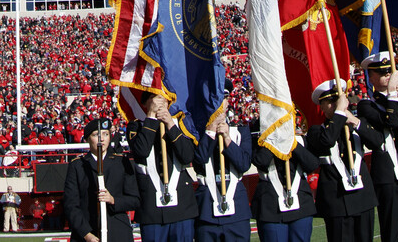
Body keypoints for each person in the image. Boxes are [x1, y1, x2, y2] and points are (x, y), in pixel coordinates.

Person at [357, 52, 398, 242]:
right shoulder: (367, 105)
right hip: (388, 175)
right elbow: (391, 121)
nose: (387, 75)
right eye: (382, 73)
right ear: (371, 77)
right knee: (392, 230)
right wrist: (394, 95)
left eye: (389, 72)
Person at [306, 79, 383, 242]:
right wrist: (340, 114)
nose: (336, 105)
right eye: (331, 102)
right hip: (337, 201)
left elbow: (377, 142)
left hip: (363, 198)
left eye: (338, 100)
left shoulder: (357, 125)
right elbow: (327, 140)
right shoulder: (315, 131)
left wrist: (354, 121)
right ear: (321, 106)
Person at [127, 94, 198, 242]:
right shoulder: (137, 125)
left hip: (182, 209)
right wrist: (151, 116)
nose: (160, 102)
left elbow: (187, 156)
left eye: (163, 98)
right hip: (152, 210)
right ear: (146, 103)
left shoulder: (182, 123)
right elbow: (141, 151)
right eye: (154, 98)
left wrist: (170, 124)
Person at [63, 117, 140, 242]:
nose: (101, 139)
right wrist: (86, 234)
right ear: (87, 139)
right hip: (87, 232)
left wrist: (113, 200)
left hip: (118, 232)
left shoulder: (122, 162)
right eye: (96, 135)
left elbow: (135, 200)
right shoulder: (77, 165)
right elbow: (71, 204)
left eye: (106, 134)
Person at [250, 120, 319, 242]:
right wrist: (273, 137)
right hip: (270, 207)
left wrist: (292, 142)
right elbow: (261, 161)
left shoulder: (300, 140)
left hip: (301, 204)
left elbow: (312, 164)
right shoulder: (259, 136)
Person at [193, 108, 252, 242]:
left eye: (223, 100)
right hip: (206, 210)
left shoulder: (240, 131)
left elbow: (244, 164)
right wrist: (210, 132)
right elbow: (199, 161)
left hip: (237, 211)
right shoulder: (197, 131)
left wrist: (227, 138)